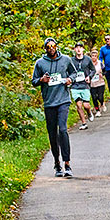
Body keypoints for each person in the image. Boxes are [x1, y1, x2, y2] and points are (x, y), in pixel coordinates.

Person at [31, 38, 76, 177]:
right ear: (45, 48)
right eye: (48, 46)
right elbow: (34, 81)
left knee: (63, 130)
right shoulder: (40, 63)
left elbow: (73, 73)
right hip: (49, 102)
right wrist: (41, 80)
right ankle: (57, 164)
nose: (51, 48)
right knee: (52, 134)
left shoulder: (66, 60)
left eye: (53, 46)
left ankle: (67, 164)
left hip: (63, 100)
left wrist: (70, 80)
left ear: (56, 47)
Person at [70, 41, 95, 130]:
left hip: (85, 85)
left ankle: (89, 112)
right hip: (75, 86)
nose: (78, 49)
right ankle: (84, 123)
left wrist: (89, 77)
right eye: (77, 48)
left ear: (83, 49)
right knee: (79, 105)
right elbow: (67, 71)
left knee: (86, 105)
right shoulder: (71, 60)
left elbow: (93, 70)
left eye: (80, 47)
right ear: (74, 50)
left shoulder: (87, 59)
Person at [89, 49, 106, 116]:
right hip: (92, 84)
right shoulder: (88, 64)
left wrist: (102, 74)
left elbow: (105, 71)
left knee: (100, 97)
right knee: (94, 98)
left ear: (97, 57)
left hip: (100, 83)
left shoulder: (100, 63)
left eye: (95, 56)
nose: (94, 57)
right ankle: (97, 110)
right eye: (92, 56)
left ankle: (102, 103)